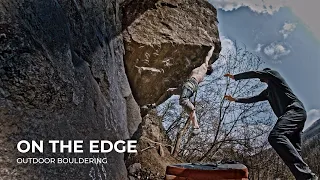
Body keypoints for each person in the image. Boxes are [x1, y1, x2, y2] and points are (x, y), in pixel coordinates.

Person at [224, 68, 318, 180]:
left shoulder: (274, 75)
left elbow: (255, 73)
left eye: (262, 77)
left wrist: (235, 77)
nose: (260, 79)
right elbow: (253, 99)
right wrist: (235, 100)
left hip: (294, 111)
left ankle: (308, 177)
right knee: (294, 151)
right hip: (294, 117)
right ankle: (305, 177)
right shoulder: (267, 93)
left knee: (276, 136)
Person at [143, 46, 215, 135]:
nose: (209, 63)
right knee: (170, 91)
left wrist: (212, 48)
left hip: (190, 85)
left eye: (209, 65)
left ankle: (196, 126)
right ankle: (154, 105)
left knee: (183, 101)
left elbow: (208, 56)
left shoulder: (204, 67)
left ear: (208, 68)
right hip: (187, 85)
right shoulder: (201, 69)